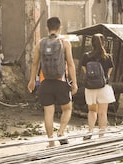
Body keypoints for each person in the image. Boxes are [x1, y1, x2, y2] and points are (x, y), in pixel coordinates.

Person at [27, 17, 78, 147]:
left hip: (45, 82)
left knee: (48, 112)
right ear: (60, 28)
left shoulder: (40, 43)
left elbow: (34, 63)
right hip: (61, 81)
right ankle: (61, 132)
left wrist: (32, 80)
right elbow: (71, 64)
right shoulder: (65, 43)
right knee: (67, 108)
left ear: (47, 28)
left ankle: (51, 142)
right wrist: (74, 82)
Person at [81, 33, 116, 140]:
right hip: (103, 87)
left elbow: (85, 71)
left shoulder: (86, 56)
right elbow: (109, 74)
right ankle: (101, 135)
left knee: (92, 111)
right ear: (104, 43)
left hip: (91, 87)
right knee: (102, 113)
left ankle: (90, 131)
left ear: (92, 43)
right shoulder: (108, 57)